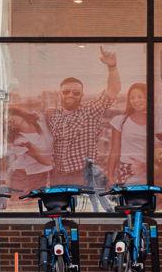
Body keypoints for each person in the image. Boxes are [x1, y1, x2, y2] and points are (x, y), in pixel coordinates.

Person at [19, 48, 122, 191]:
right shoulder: (52, 115)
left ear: (82, 95)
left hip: (83, 175)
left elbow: (113, 91)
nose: (70, 95)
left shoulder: (90, 111)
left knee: (83, 213)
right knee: (58, 211)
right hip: (57, 175)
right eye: (66, 91)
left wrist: (112, 67)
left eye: (76, 92)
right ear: (60, 94)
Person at [110, 81, 149, 183]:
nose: (136, 100)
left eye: (140, 97)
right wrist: (109, 175)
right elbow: (115, 149)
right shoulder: (120, 121)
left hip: (150, 172)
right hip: (126, 173)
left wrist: (145, 166)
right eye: (132, 97)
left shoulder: (156, 122)